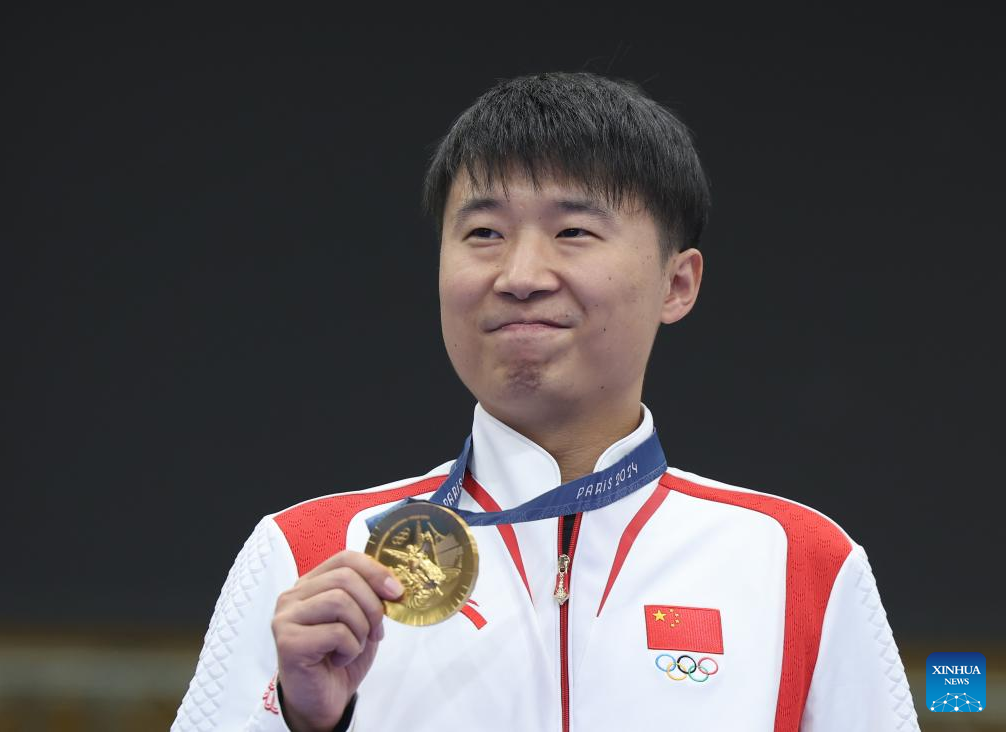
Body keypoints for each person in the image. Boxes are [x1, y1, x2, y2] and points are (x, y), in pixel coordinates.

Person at [172, 71, 920, 732]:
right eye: (485, 232)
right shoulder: (312, 553)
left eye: (573, 230)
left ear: (678, 283)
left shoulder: (801, 564)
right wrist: (305, 723)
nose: (521, 273)